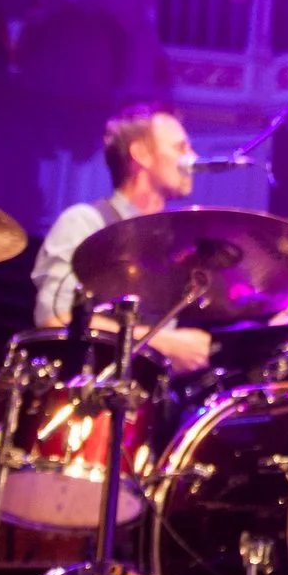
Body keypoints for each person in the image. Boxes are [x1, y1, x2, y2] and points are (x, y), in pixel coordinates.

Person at [30, 101, 213, 372]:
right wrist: (165, 344)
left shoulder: (178, 244)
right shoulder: (85, 222)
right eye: (181, 148)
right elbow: (56, 316)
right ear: (140, 154)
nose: (193, 158)